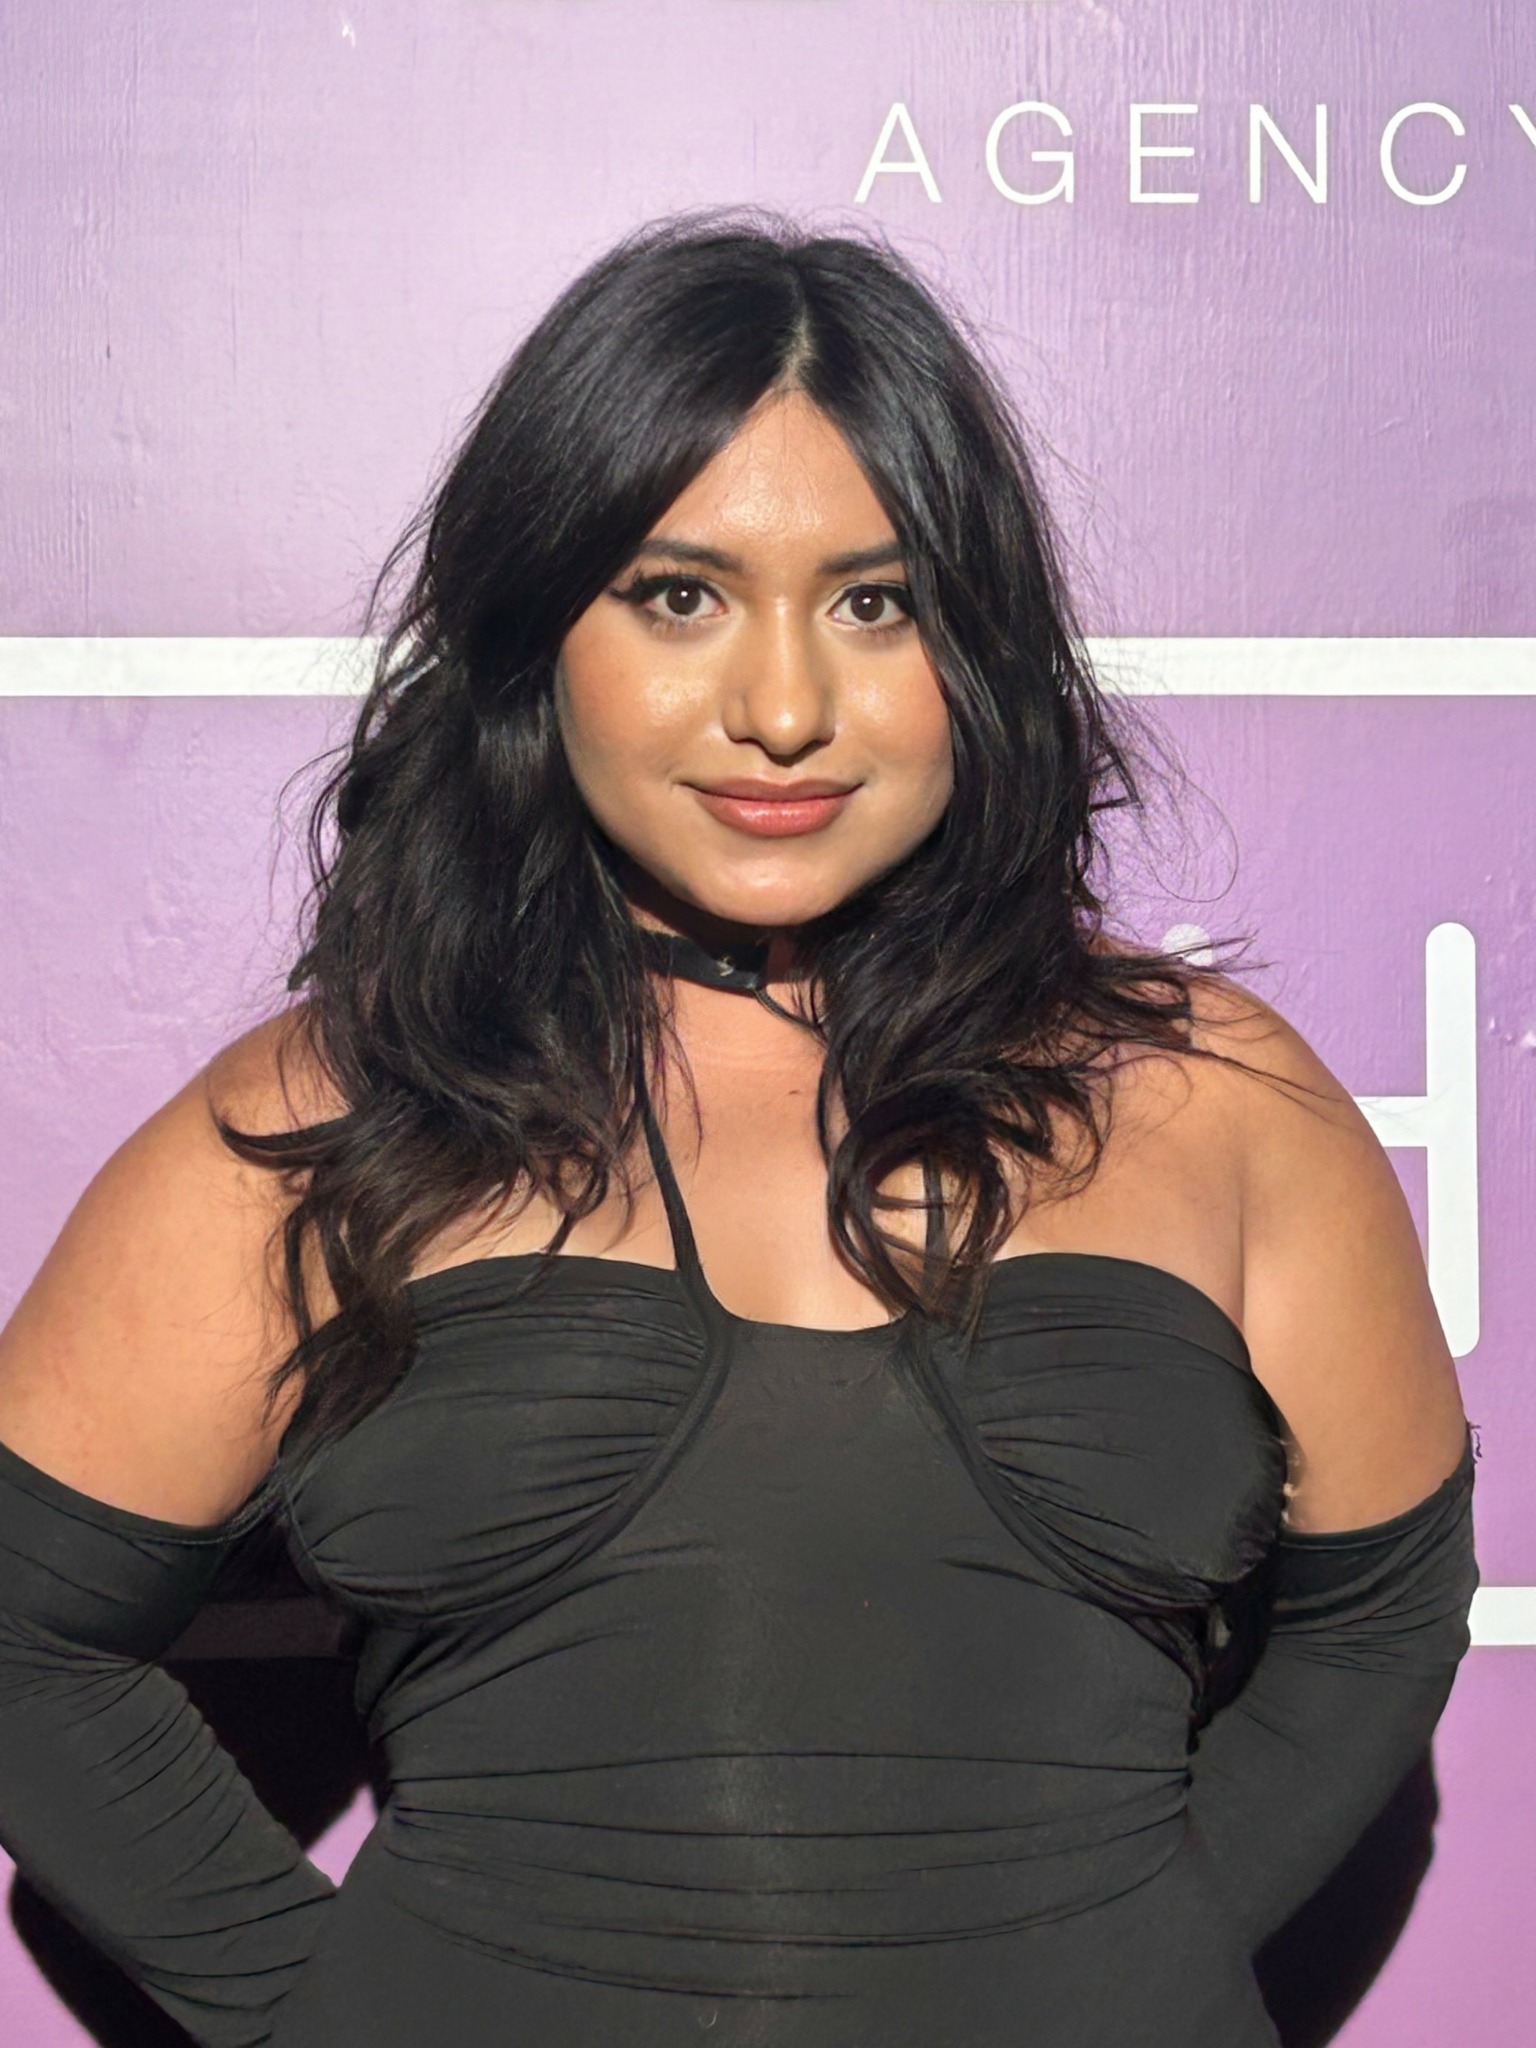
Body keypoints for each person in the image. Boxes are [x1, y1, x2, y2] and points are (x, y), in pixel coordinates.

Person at [0, 213, 1476, 2048]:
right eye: (679, 596)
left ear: (980, 645)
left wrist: (1129, 1954)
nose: (783, 711)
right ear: (536, 629)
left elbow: (1382, 1621)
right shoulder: (330, 1112)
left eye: (876, 603)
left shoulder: (1217, 1096)